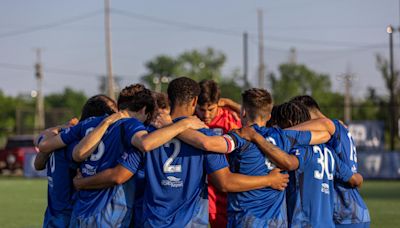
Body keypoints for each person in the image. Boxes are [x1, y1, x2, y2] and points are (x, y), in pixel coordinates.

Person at [74, 77, 290, 228]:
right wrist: (268, 180)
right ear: (195, 102)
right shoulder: (204, 136)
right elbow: (224, 182)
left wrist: (83, 182)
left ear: (169, 98)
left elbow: (119, 175)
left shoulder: (149, 133)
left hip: (152, 221)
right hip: (191, 222)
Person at [242, 101, 363, 228]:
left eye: (277, 128)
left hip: (302, 223)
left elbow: (288, 163)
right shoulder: (329, 152)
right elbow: (355, 179)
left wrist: (258, 139)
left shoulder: (297, 150)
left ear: (288, 124)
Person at [223, 88, 333, 227]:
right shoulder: (288, 137)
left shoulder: (239, 138)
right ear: (269, 116)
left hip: (249, 218)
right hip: (284, 222)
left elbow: (225, 182)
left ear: (243, 112)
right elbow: (327, 131)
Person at [34, 94, 117, 228]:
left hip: (53, 211)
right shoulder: (76, 142)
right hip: (69, 210)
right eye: (113, 112)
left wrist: (61, 127)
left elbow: (38, 164)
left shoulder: (57, 138)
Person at [290, 95, 371, 228]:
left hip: (344, 211)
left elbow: (325, 123)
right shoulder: (339, 128)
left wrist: (276, 133)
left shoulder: (331, 126)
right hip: (354, 209)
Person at [196, 79, 242, 227]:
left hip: (224, 184)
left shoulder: (231, 120)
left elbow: (260, 115)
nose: (206, 115)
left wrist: (232, 104)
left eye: (211, 109)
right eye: (201, 110)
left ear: (219, 104)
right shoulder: (190, 120)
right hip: (200, 184)